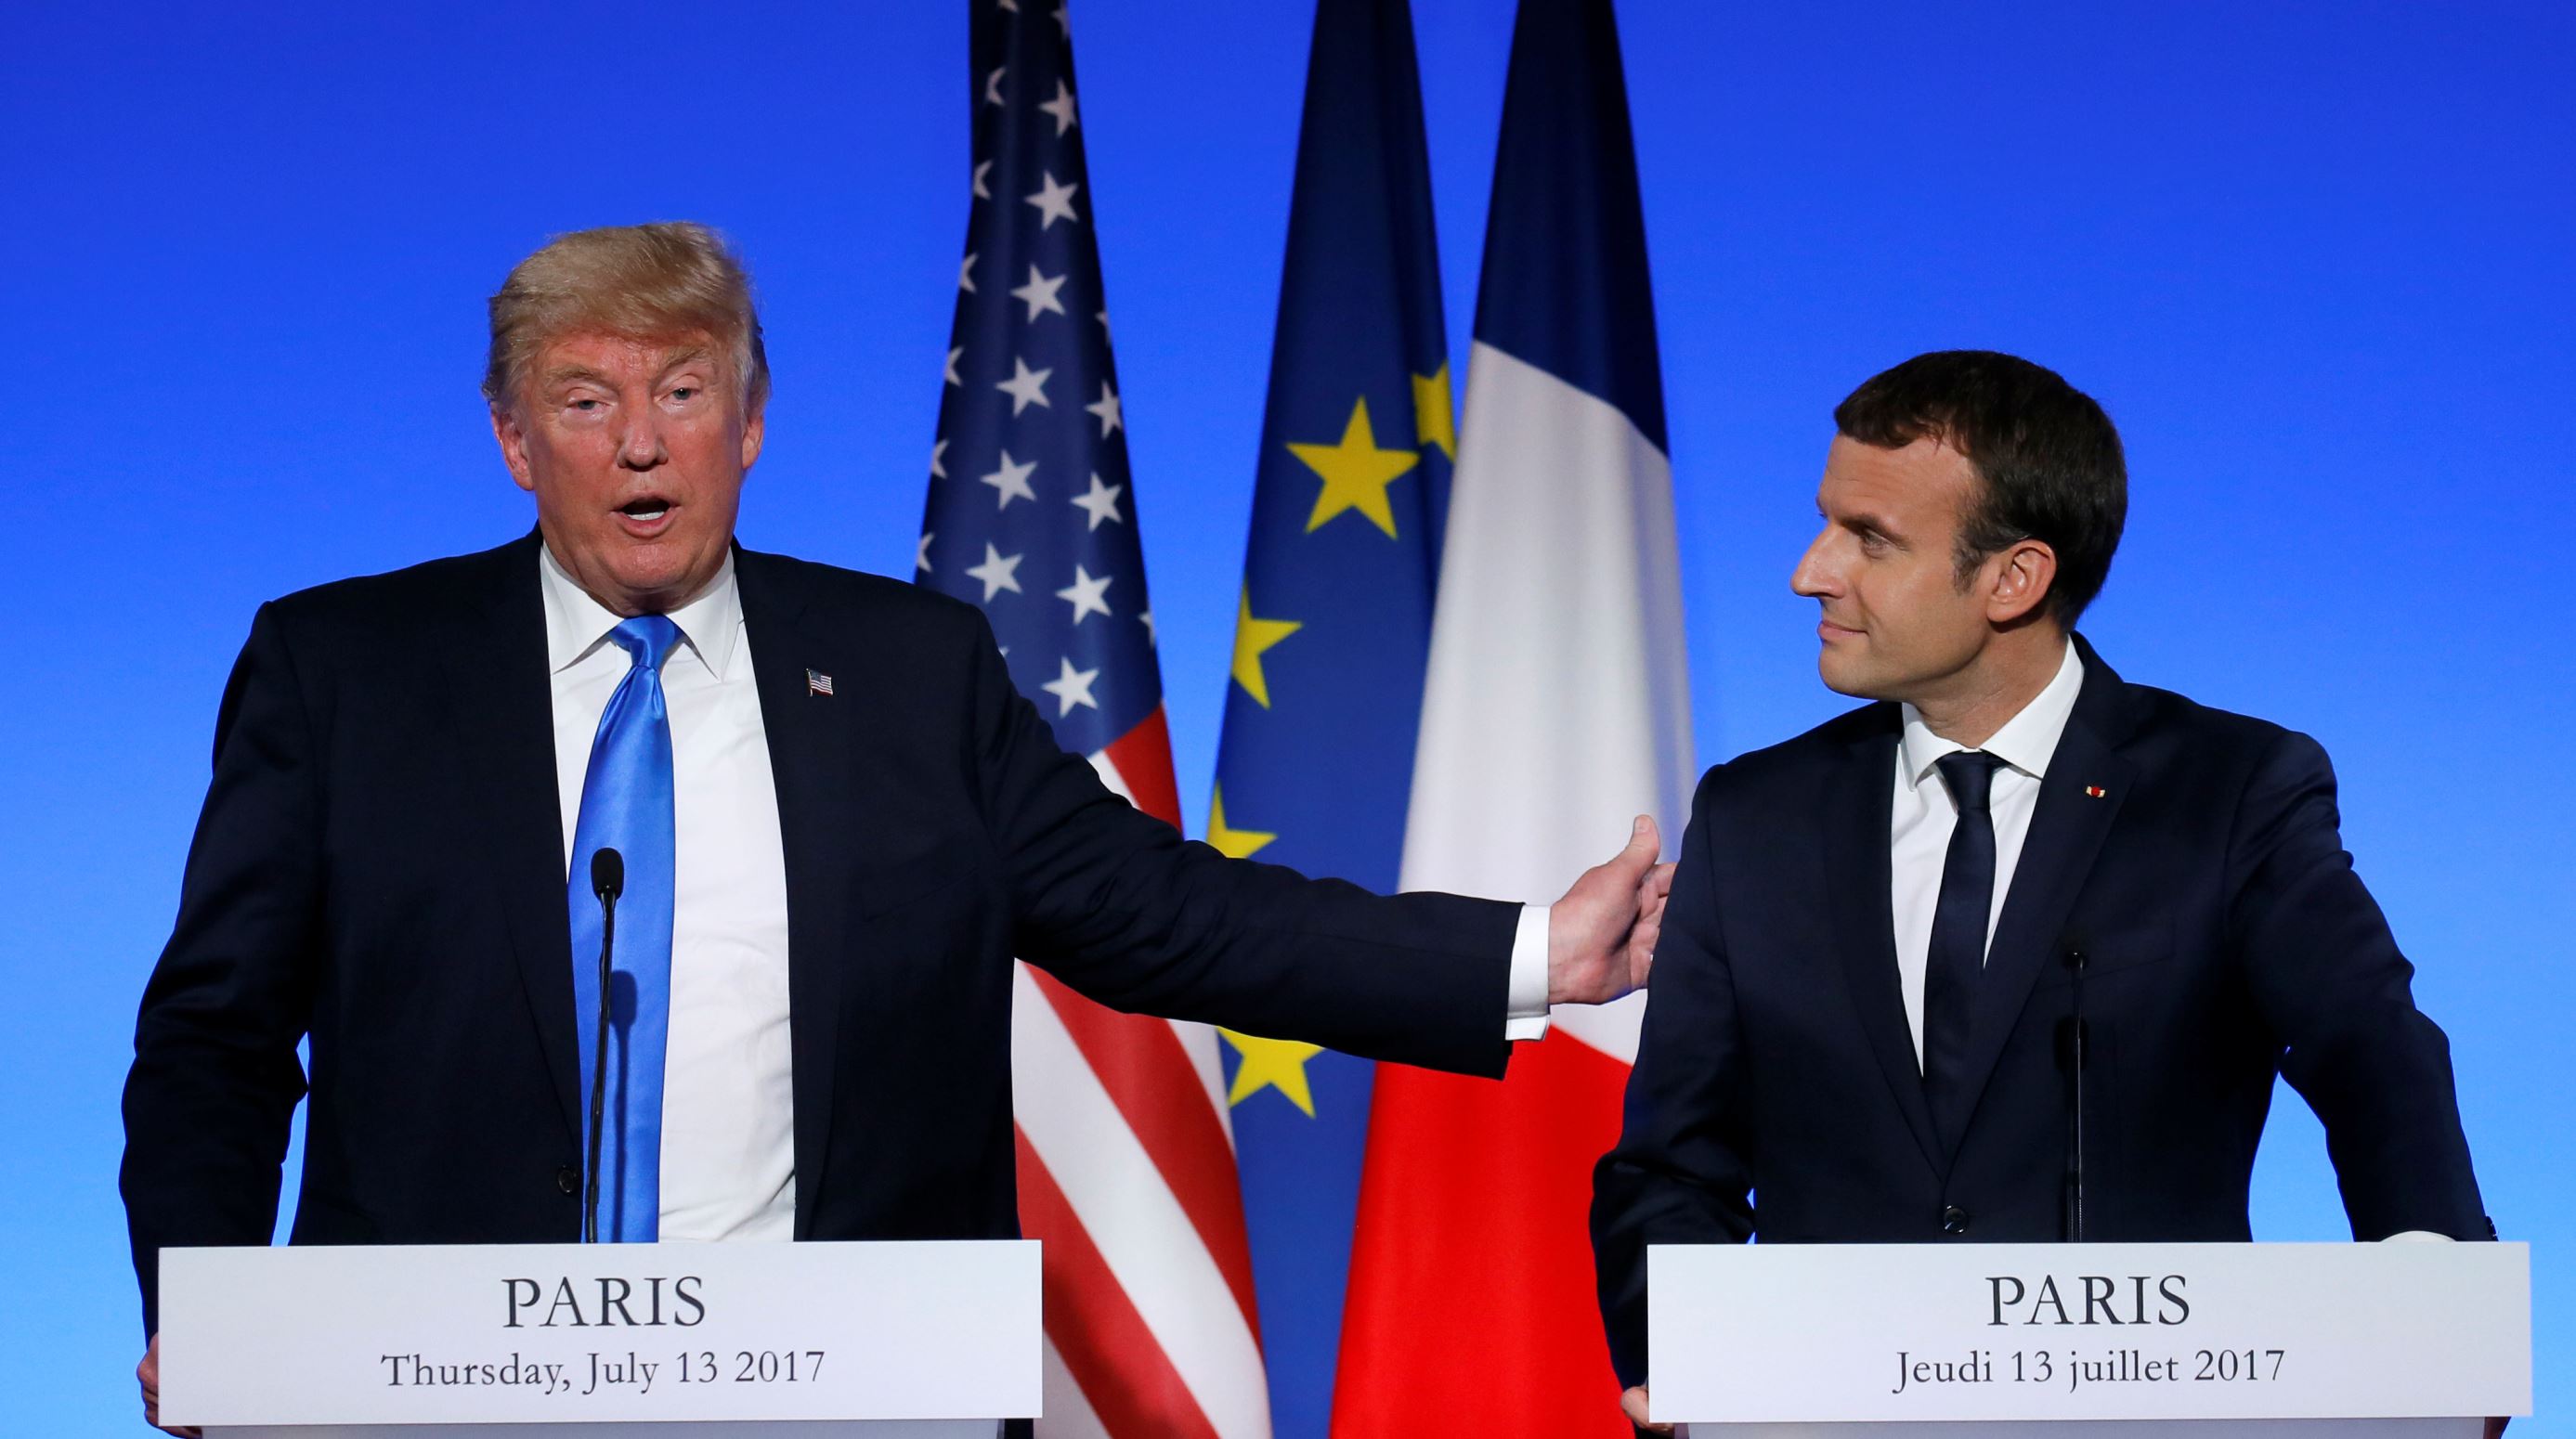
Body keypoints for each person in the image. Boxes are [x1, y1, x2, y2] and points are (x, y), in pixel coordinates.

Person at [121, 223, 1673, 1434]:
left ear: (750, 422)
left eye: (682, 392)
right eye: (586, 402)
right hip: (433, 1400)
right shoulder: (347, 672)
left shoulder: (906, 673)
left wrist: (1530, 953)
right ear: (514, 440)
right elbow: (216, 1035)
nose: (641, 442)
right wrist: (205, 1304)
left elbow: (1164, 914)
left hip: (832, 1397)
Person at [1591, 350, 2493, 1432]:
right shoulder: (1754, 814)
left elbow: (2369, 1057)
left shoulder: (2226, 791)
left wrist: (2439, 1322)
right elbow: (1669, 1163)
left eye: (1868, 537)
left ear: (2011, 578)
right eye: (1824, 522)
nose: (1808, 570)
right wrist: (1685, 1360)